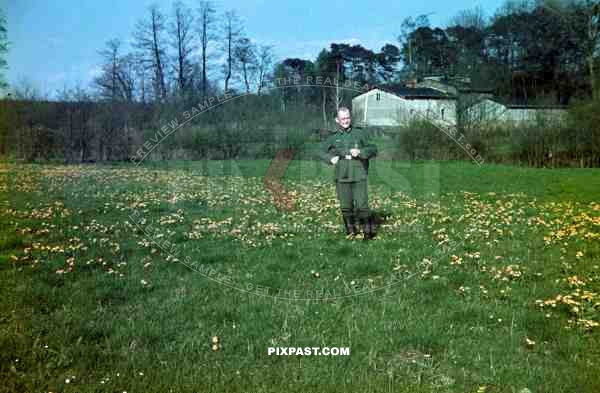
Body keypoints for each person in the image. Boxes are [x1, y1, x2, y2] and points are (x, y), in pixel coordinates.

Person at [321, 107, 378, 240]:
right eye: (343, 119)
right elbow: (319, 150)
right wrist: (329, 158)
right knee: (346, 207)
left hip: (359, 174)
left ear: (350, 118)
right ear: (337, 120)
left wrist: (361, 153)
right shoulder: (333, 137)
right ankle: (351, 232)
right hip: (342, 175)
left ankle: (369, 234)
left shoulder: (360, 133)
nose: (346, 121)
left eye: (347, 118)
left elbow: (373, 148)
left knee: (362, 206)